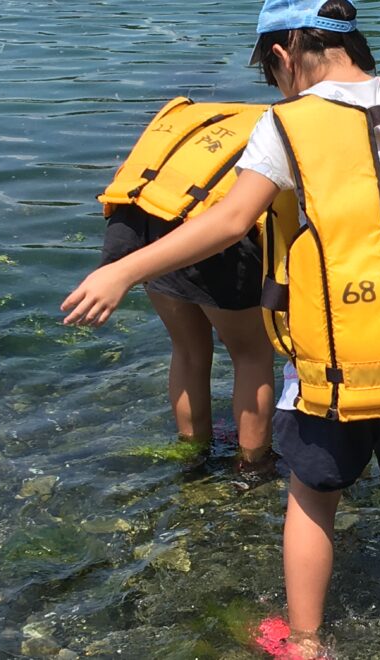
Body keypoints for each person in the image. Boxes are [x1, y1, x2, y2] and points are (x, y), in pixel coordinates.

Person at [62, 0, 380, 656]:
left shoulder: (286, 125)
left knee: (315, 496)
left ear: (284, 53)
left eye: (270, 71)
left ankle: (305, 639)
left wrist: (124, 271)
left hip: (335, 364)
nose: (275, 84)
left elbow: (232, 221)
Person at [97, 100, 288, 470]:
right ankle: (252, 468)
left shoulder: (212, 111)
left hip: (144, 216)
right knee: (251, 355)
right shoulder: (297, 124)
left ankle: (192, 457)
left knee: (187, 350)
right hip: (212, 229)